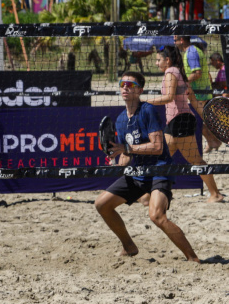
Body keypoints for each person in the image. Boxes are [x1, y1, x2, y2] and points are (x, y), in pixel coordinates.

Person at [95, 71, 199, 262]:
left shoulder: (147, 110)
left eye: (130, 85)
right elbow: (126, 156)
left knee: (157, 216)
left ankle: (193, 259)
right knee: (102, 204)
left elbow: (157, 147)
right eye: (122, 84)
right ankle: (129, 246)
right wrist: (116, 160)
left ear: (140, 90)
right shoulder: (121, 119)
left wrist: (126, 149)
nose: (125, 87)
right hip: (138, 173)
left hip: (160, 169)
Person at [142, 46, 223, 202]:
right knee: (162, 159)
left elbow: (169, 97)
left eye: (158, 60)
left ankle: (215, 194)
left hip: (179, 122)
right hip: (179, 121)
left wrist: (144, 102)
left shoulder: (171, 73)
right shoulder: (180, 73)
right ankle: (149, 194)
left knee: (195, 161)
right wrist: (210, 120)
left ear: (167, 60)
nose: (156, 63)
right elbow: (193, 101)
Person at [174, 36, 219, 152]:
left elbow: (197, 73)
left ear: (181, 40)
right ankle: (212, 141)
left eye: (175, 40)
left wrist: (182, 83)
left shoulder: (191, 52)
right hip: (198, 92)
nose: (174, 42)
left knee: (200, 120)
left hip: (200, 93)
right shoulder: (191, 51)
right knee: (200, 120)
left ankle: (215, 140)